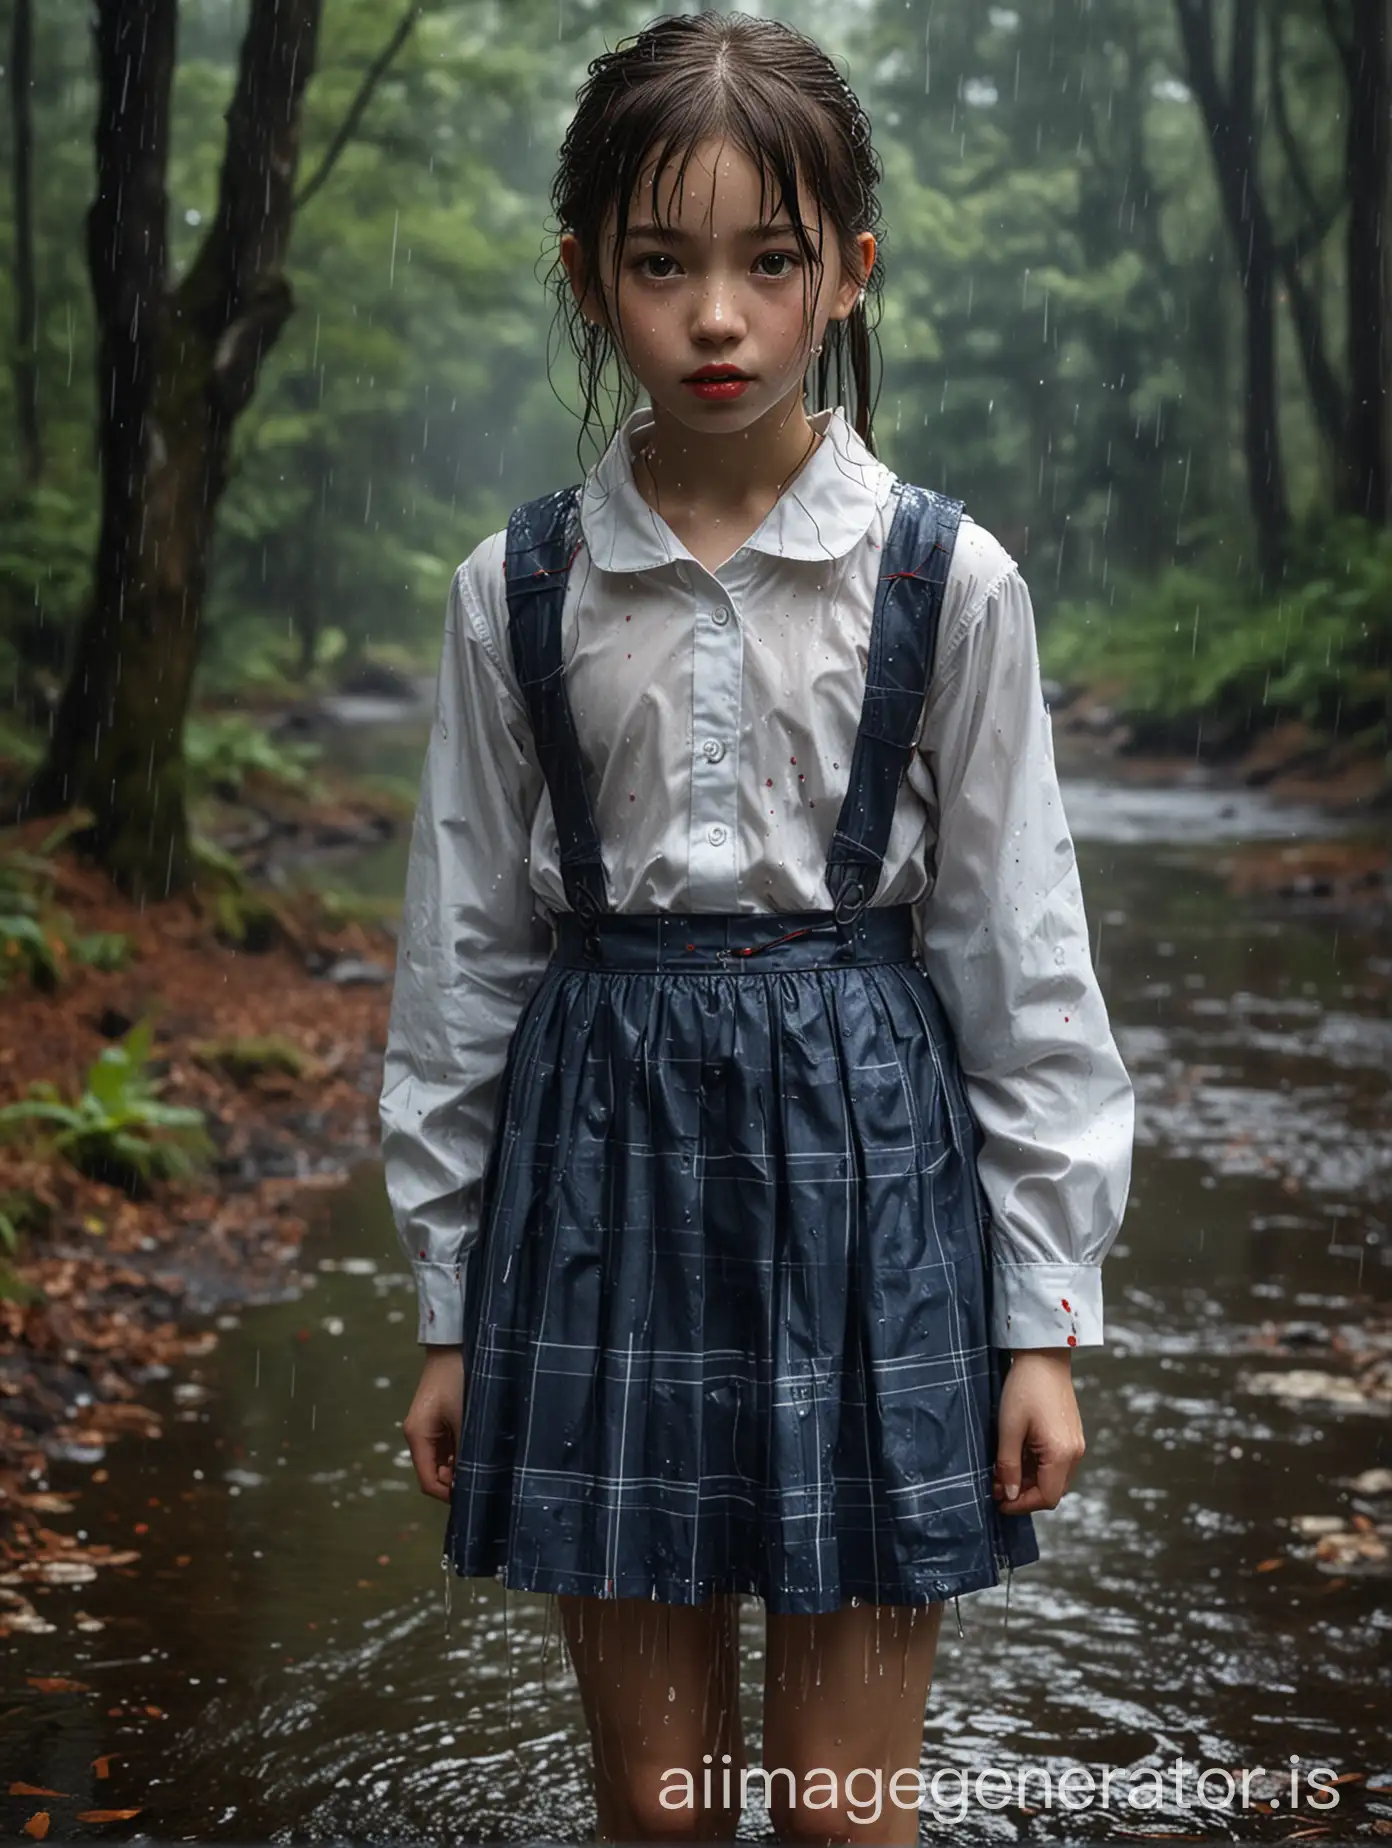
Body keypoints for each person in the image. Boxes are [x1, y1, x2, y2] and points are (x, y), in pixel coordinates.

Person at [382, 13, 1134, 1843]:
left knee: (841, 1808)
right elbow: (465, 956)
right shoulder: (521, 590)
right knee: (651, 1804)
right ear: (589, 279)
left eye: (769, 261)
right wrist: (447, 1308)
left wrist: (1040, 1317)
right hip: (592, 1180)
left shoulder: (948, 582)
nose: (716, 315)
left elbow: (1020, 957)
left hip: (874, 1184)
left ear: (846, 274)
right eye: (661, 263)